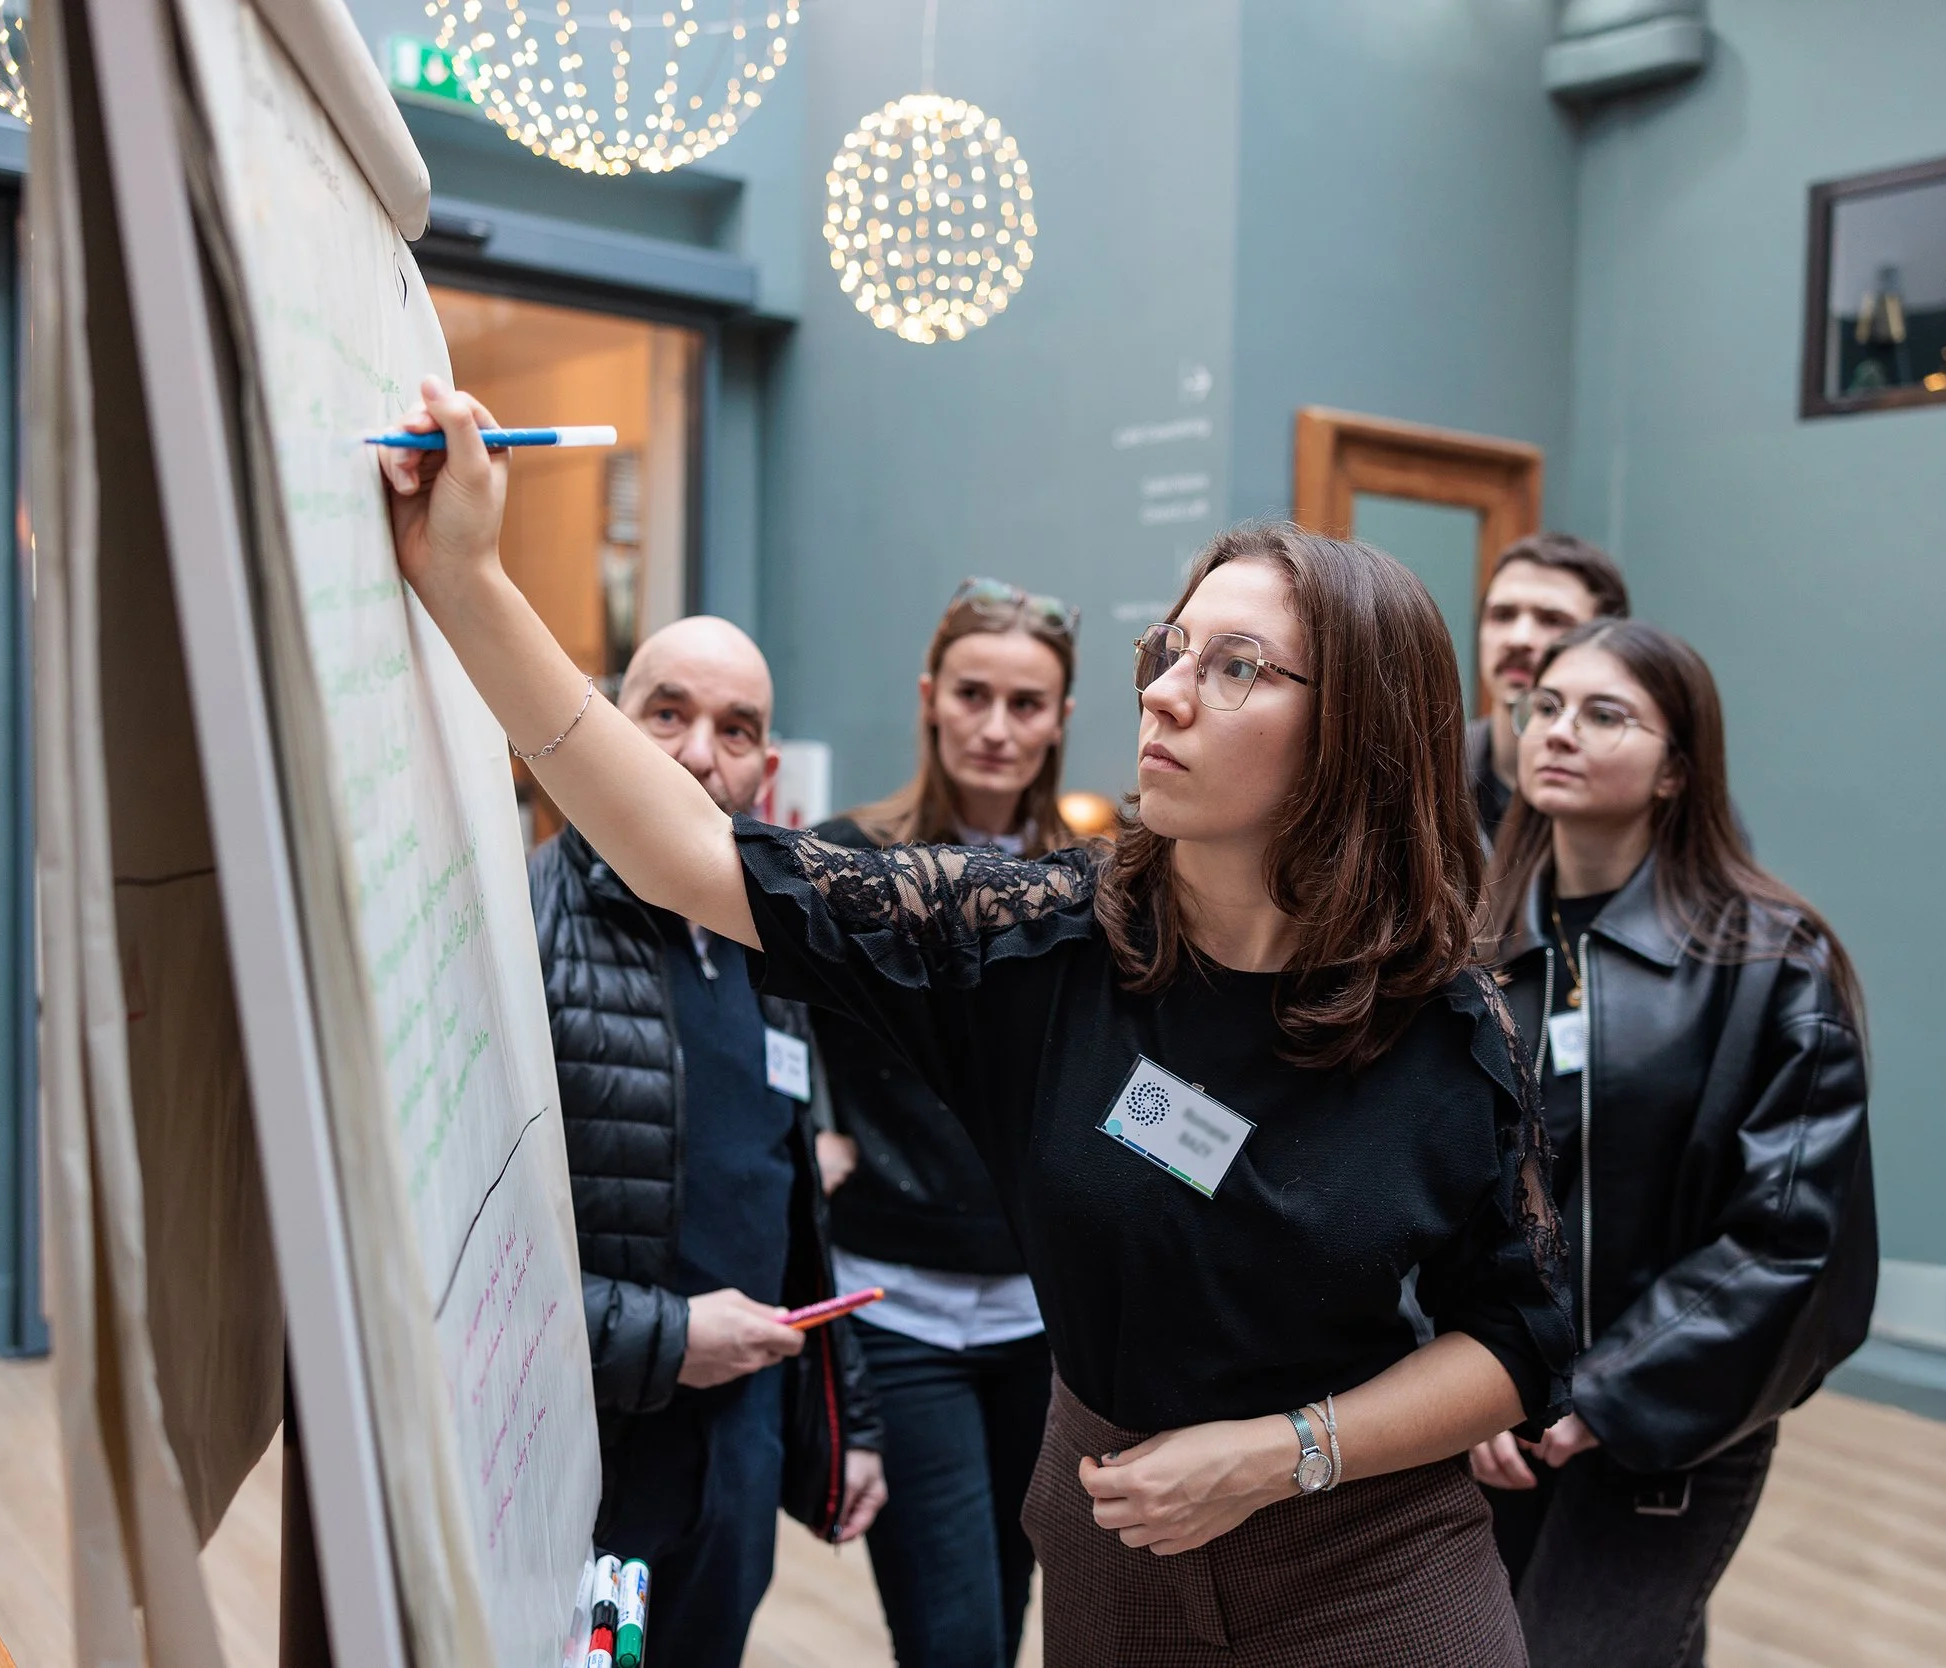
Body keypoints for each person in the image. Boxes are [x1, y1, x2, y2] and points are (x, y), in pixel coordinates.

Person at [379, 382, 1572, 1668]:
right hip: (1124, 1543)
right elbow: (684, 853)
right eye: (1167, 652)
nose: (1166, 695)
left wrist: (1285, 1455)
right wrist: (467, 582)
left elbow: (1518, 1339)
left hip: (1370, 1564)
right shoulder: (1040, 941)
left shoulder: (1442, 1017)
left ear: (1355, 732)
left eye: (1233, 668)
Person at [1465, 618, 1876, 1667]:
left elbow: (1792, 1243)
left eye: (1605, 715)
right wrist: (1452, 1381)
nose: (1559, 731)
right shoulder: (1472, 947)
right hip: (1486, 1420)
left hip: (1669, 1423)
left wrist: (1607, 1394)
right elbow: (1421, 1192)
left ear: (1674, 770)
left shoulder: (1772, 962)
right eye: (1545, 707)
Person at [526, 613, 887, 1668]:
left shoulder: (762, 939)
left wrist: (847, 1414)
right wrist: (673, 1338)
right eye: (666, 714)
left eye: (734, 732)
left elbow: (788, 1198)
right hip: (591, 1466)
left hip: (740, 1448)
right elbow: (459, 1279)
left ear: (765, 769)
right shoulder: (519, 928)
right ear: (604, 725)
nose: (696, 754)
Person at [812, 576, 1079, 1668]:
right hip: (899, 1309)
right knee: (952, 1638)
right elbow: (780, 1031)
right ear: (930, 696)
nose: (996, 727)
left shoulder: (1097, 882)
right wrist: (810, 1139)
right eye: (974, 694)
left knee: (1010, 1611)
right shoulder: (848, 860)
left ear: (1062, 719)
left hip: (1043, 1323)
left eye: (1027, 704)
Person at [1467, 533, 1630, 846]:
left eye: (1552, 620)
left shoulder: (1644, 794)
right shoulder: (1429, 775)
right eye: (1502, 615)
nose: (1519, 638)